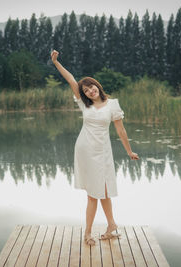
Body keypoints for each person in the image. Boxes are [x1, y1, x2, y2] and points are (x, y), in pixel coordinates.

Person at [51, 50, 139, 246]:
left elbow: (121, 131)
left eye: (92, 87)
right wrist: (56, 63)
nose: (90, 91)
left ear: (97, 86)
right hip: (85, 150)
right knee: (93, 194)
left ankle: (111, 225)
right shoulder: (85, 104)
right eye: (86, 90)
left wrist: (129, 151)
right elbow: (72, 79)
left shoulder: (112, 105)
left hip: (104, 151)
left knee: (105, 190)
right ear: (84, 94)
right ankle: (88, 233)